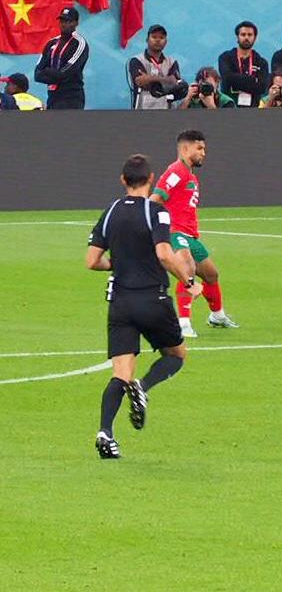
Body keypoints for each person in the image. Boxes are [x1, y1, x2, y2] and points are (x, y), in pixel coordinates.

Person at [85, 154, 202, 459]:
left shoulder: (109, 211)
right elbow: (164, 255)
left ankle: (105, 434)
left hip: (120, 302)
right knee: (176, 355)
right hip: (152, 298)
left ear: (123, 181)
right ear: (151, 180)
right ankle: (144, 386)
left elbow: (92, 261)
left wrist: (120, 263)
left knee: (119, 373)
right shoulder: (157, 211)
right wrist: (189, 282)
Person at [150, 130, 239, 338]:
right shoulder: (175, 171)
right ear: (185, 149)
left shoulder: (189, 175)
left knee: (211, 274)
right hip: (174, 232)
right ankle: (183, 323)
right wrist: (152, 226)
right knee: (186, 268)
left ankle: (217, 316)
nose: (203, 153)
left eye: (204, 148)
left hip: (190, 234)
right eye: (199, 148)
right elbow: (155, 198)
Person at [34, 7, 89, 110]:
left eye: (68, 21)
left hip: (71, 97)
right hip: (52, 96)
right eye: (62, 20)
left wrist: (47, 71)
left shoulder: (79, 44)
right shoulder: (51, 43)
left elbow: (66, 72)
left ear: (76, 23)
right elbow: (37, 74)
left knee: (68, 126)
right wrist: (55, 74)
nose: (64, 24)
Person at [127, 24, 187, 110]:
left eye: (161, 38)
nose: (158, 40)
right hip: (142, 112)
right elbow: (140, 82)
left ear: (166, 42)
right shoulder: (136, 60)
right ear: (147, 40)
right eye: (154, 37)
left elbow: (174, 83)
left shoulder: (172, 62)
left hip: (168, 112)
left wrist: (150, 78)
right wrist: (166, 80)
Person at [218, 21, 270, 108]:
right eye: (243, 34)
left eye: (250, 35)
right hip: (229, 108)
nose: (246, 37)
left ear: (255, 38)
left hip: (254, 108)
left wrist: (236, 80)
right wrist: (253, 80)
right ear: (237, 37)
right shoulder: (225, 58)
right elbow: (227, 78)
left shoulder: (262, 62)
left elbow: (262, 87)